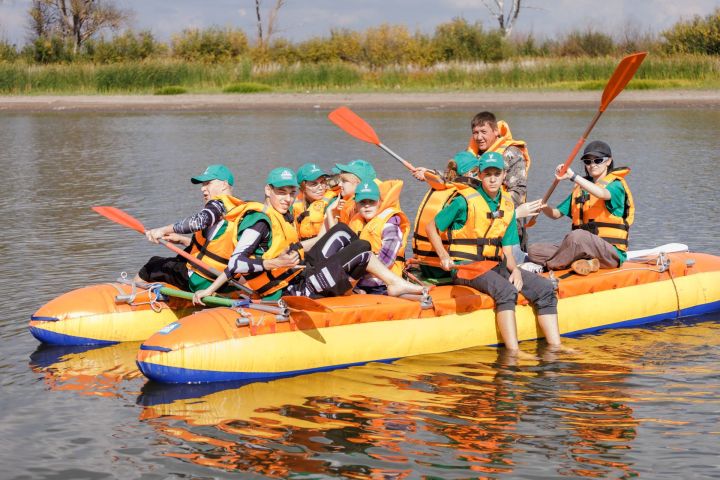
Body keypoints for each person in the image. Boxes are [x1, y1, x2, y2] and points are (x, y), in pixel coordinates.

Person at [192, 167, 424, 303]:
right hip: (293, 290)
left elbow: (300, 246)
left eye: (291, 193)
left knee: (341, 232)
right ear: (267, 191)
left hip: (300, 272)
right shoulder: (259, 221)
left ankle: (361, 284)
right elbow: (236, 262)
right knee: (361, 249)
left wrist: (328, 229)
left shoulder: (280, 217)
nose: (287, 199)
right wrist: (274, 262)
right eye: (281, 192)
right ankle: (391, 283)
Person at [425, 151, 566, 357]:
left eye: (496, 173)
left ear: (503, 175)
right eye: (487, 173)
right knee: (507, 291)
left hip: (493, 264)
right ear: (480, 175)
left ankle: (555, 345)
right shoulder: (463, 201)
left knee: (544, 287)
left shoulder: (507, 204)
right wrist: (443, 256)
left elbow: (507, 249)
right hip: (465, 266)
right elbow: (431, 227)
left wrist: (515, 271)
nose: (492, 178)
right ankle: (514, 351)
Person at [411, 151, 543, 277]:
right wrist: (515, 214)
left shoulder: (446, 190)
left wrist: (428, 172)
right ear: (472, 173)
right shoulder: (464, 199)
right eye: (477, 171)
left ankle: (520, 263)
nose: (484, 177)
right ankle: (523, 263)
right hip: (454, 265)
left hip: (428, 266)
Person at [527, 141, 635, 275]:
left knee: (577, 236)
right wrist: (544, 207)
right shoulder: (581, 190)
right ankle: (584, 263)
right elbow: (555, 214)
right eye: (588, 161)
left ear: (608, 161)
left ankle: (547, 267)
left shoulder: (615, 185)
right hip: (584, 250)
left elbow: (601, 193)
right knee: (534, 250)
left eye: (598, 160)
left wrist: (573, 176)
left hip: (610, 253)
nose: (592, 165)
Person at [135, 164, 245, 293]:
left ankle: (132, 297)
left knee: (153, 264)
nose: (203, 189)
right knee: (181, 257)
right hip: (226, 280)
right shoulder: (240, 208)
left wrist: (162, 230)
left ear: (224, 185)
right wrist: (182, 240)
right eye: (202, 184)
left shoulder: (217, 205)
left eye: (208, 183)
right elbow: (220, 248)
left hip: (202, 279)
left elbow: (197, 222)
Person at [348, 181, 410, 295]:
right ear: (356, 205)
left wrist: (357, 272)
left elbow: (387, 259)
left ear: (380, 202)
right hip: (360, 283)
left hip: (384, 285)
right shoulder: (355, 222)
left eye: (371, 202)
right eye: (362, 202)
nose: (367, 205)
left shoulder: (389, 223)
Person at [328, 159, 403, 225]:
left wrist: (329, 213)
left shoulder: (369, 210)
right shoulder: (347, 203)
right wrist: (336, 213)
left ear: (359, 184)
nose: (339, 184)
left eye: (344, 181)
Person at [293, 163, 337, 240]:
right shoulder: (293, 206)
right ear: (302, 187)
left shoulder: (332, 203)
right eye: (314, 184)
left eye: (322, 182)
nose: (320, 188)